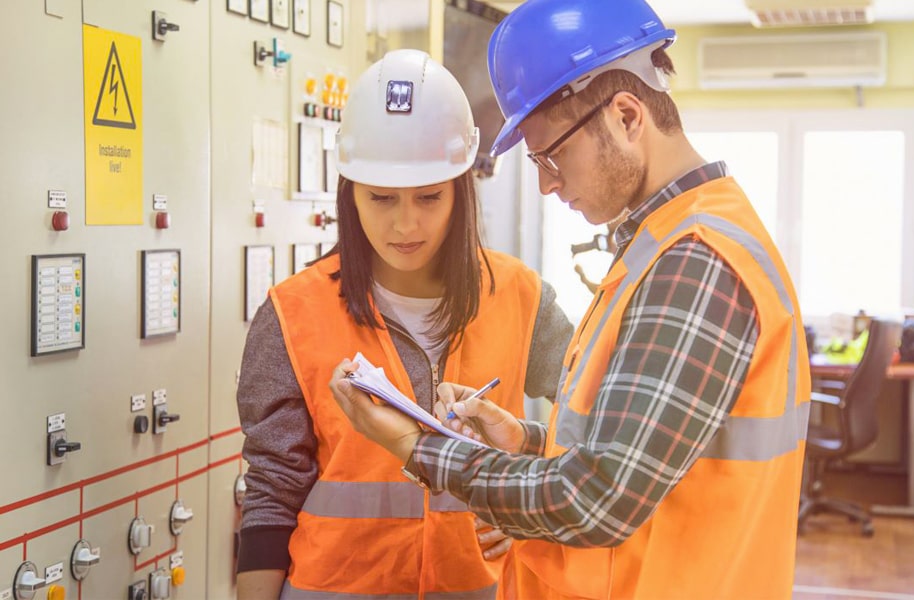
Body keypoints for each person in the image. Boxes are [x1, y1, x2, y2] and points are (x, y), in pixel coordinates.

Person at [329, 1, 811, 598]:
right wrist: (526, 441)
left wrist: (414, 445)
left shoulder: (697, 263)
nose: (546, 183)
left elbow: (597, 498)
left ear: (627, 116)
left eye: (550, 155)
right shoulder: (663, 247)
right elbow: (639, 452)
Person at [235, 49, 573, 599]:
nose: (406, 224)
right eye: (382, 198)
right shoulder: (292, 313)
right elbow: (272, 491)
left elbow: (599, 430)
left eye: (430, 197)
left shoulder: (521, 296)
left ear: (461, 190)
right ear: (349, 192)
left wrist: (532, 506)